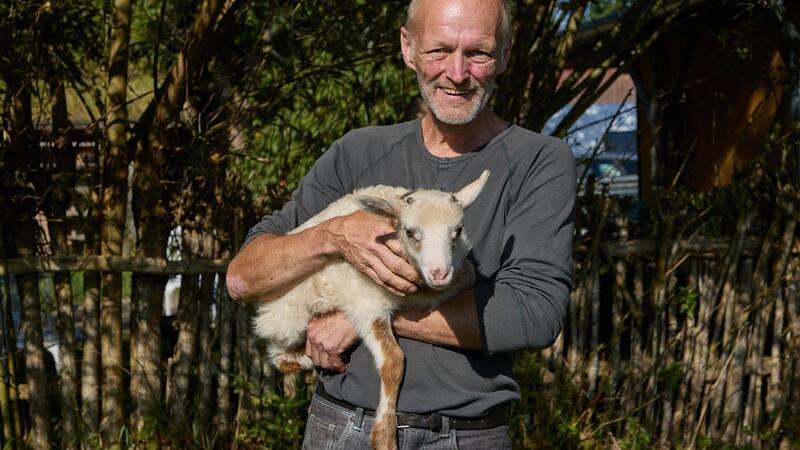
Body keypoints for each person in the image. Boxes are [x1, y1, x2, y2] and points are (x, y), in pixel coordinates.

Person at [226, 0, 576, 448]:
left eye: (479, 53)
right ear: (407, 47)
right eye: (439, 50)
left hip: (467, 436)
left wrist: (361, 314)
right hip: (342, 427)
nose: (456, 72)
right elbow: (243, 277)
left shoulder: (538, 161)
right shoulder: (357, 152)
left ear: (506, 53)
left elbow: (534, 315)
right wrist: (332, 235)